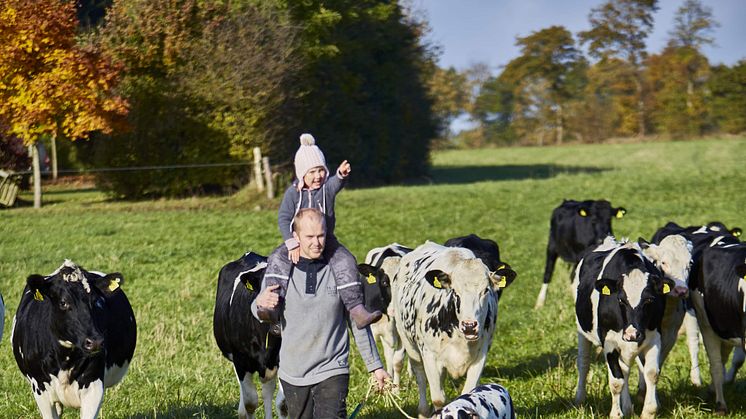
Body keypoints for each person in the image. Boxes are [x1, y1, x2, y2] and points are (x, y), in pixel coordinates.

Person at [252, 208, 390, 418]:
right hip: (294, 372)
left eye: (321, 235)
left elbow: (356, 321)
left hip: (332, 368)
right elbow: (260, 309)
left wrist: (375, 366)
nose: (317, 242)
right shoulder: (279, 271)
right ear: (295, 237)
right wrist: (258, 302)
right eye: (310, 237)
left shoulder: (343, 272)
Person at [257, 133, 381, 329]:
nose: (318, 176)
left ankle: (357, 309)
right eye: (312, 172)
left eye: (321, 171)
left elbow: (336, 182)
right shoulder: (293, 194)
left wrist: (341, 174)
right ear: (302, 174)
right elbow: (283, 218)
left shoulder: (326, 189)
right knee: (276, 260)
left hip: (326, 240)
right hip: (298, 240)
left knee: (346, 260)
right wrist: (291, 242)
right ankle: (272, 305)